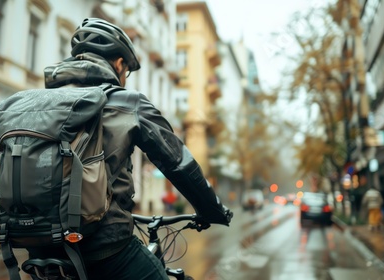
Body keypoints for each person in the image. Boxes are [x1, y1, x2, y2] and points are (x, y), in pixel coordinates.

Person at [27, 18, 232, 279]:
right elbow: (178, 162)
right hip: (104, 248)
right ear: (120, 64)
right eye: (127, 71)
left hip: (41, 251)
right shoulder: (127, 102)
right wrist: (212, 209)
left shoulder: (35, 102)